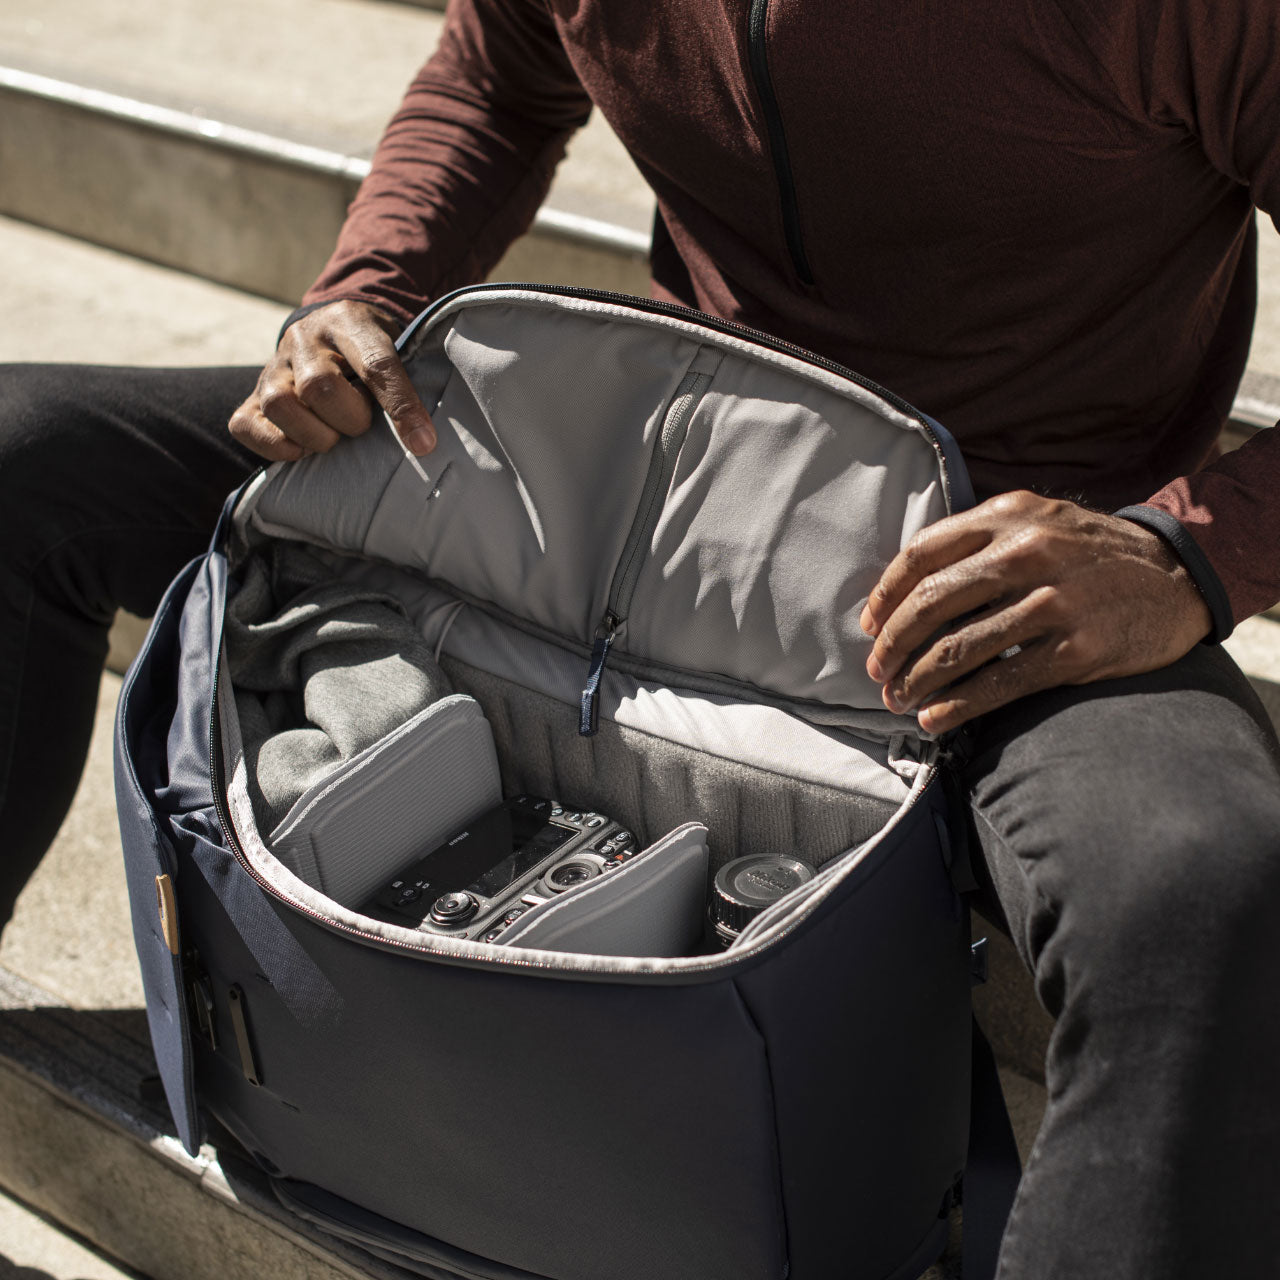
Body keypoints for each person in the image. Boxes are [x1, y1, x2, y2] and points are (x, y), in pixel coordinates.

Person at [3, 1, 1279, 1275]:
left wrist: (1189, 549)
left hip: (997, 576)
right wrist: (364, 290)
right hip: (638, 494)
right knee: (26, 460)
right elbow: (492, 81)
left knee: (1198, 877)